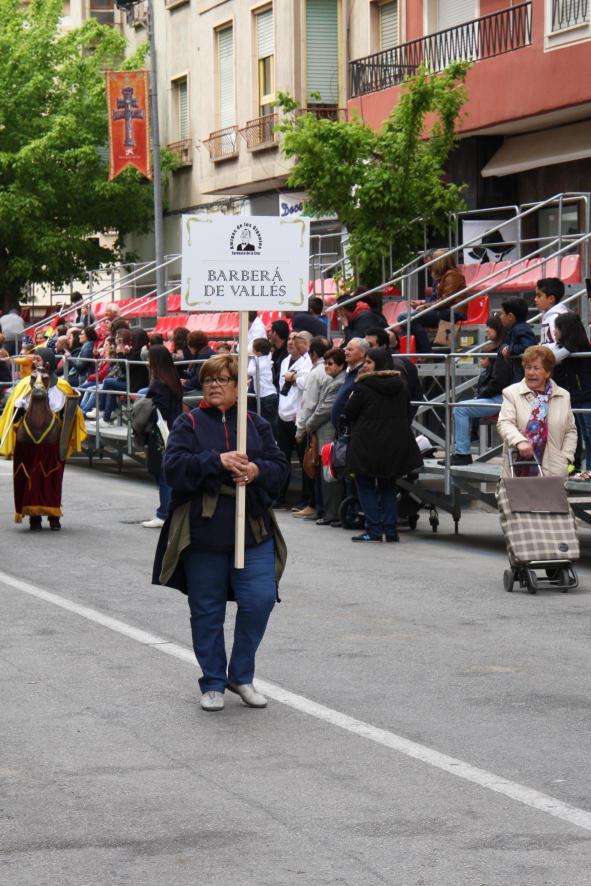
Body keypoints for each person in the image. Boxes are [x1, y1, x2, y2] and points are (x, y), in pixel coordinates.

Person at [152, 354, 289, 712]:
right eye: (209, 379)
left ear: (238, 386)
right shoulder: (188, 423)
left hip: (252, 529)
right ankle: (213, 681)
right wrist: (217, 461)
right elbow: (173, 468)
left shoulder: (256, 424)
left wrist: (257, 470)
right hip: (204, 532)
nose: (214, 385)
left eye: (223, 379)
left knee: (260, 599)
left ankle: (240, 675)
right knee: (206, 609)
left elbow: (280, 467)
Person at [0, 348, 87, 529]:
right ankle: (34, 516)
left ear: (48, 363)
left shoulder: (62, 386)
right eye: (34, 359)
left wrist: (66, 410)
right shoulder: (24, 384)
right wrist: (18, 406)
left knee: (52, 477)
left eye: (38, 359)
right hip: (27, 440)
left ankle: (53, 515)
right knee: (27, 476)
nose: (35, 363)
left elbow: (72, 414)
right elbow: (13, 416)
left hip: (52, 441)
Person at [344, 347, 422, 542]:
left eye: (369, 362)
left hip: (366, 444)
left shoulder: (363, 386)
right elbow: (406, 410)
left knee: (366, 486)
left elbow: (349, 411)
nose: (365, 365)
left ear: (378, 364)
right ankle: (391, 530)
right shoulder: (401, 385)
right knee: (388, 486)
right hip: (393, 445)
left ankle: (374, 530)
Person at [497, 345, 577, 478]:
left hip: (554, 473)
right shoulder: (511, 393)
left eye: (536, 368)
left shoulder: (563, 396)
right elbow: (504, 423)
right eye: (528, 367)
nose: (531, 372)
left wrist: (566, 458)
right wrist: (519, 441)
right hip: (517, 473)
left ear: (548, 372)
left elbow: (570, 430)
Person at [443, 315, 513, 465]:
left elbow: (499, 382)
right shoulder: (497, 349)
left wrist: (481, 394)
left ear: (498, 329)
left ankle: (462, 454)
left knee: (460, 409)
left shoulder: (503, 350)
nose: (486, 330)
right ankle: (461, 451)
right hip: (496, 396)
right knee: (460, 407)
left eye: (490, 327)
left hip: (501, 398)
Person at [141, 346, 184, 529]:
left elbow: (159, 409)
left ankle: (163, 513)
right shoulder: (173, 379)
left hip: (160, 431)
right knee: (167, 472)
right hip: (173, 428)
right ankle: (168, 511)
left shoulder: (159, 383)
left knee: (162, 472)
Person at [306, 346, 346, 526]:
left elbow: (324, 410)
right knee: (325, 477)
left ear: (341, 365)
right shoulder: (333, 380)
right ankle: (327, 511)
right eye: (325, 363)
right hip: (324, 434)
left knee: (330, 477)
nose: (326, 367)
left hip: (329, 434)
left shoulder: (338, 383)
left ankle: (332, 513)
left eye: (330, 364)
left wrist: (308, 425)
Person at [397, 250, 467, 353]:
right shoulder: (444, 275)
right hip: (444, 310)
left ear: (440, 261)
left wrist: (425, 307)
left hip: (453, 312)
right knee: (405, 319)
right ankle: (418, 352)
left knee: (405, 318)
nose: (431, 263)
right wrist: (422, 304)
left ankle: (426, 352)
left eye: (434, 260)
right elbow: (440, 300)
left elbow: (446, 300)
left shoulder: (453, 275)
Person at [294, 335, 330, 519]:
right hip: (322, 425)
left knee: (312, 466)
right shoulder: (327, 371)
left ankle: (315, 505)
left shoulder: (316, 373)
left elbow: (308, 404)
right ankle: (318, 506)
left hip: (315, 426)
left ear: (313, 354)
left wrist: (300, 429)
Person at [275, 331, 312, 509]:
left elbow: (306, 384)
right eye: (289, 339)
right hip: (283, 413)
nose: (291, 342)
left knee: (305, 461)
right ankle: (279, 496)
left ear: (304, 344)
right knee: (282, 458)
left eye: (295, 340)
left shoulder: (308, 362)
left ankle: (305, 499)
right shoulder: (284, 361)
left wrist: (295, 378)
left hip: (298, 417)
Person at [551, 312, 591, 471]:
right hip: (576, 397)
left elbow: (551, 359)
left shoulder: (579, 348)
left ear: (566, 329)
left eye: (557, 328)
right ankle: (585, 470)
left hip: (586, 396)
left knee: (589, 434)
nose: (554, 331)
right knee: (582, 435)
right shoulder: (564, 347)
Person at [331, 337, 370, 428]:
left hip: (350, 430)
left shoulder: (363, 374)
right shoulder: (351, 372)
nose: (346, 352)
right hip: (342, 429)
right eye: (346, 349)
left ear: (362, 353)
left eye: (350, 350)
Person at [499, 297, 537, 382]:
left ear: (510, 316)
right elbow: (505, 344)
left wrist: (510, 350)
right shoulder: (512, 330)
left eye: (502, 313)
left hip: (522, 378)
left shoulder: (521, 329)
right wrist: (505, 347)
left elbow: (529, 346)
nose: (500, 317)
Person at [248, 338, 278, 430]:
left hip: (266, 396)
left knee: (267, 421)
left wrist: (252, 359)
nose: (251, 352)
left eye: (253, 350)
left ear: (259, 353)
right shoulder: (265, 359)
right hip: (266, 395)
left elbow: (249, 371)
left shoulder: (260, 362)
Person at [534, 278, 569, 346]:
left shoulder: (556, 318)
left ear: (551, 299)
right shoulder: (550, 316)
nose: (535, 299)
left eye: (539, 296)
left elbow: (557, 346)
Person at [269, 319, 289, 389]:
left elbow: (278, 377)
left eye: (270, 331)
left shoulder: (287, 353)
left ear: (275, 333)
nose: (269, 334)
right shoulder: (275, 350)